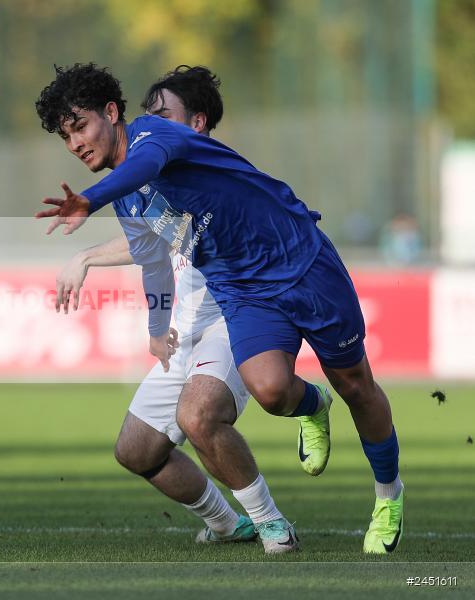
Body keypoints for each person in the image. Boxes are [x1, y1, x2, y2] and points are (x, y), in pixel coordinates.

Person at [35, 63, 404, 554]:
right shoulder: (132, 197)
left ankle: (388, 496)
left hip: (300, 258)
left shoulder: (153, 136)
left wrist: (90, 199)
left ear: (111, 112)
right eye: (66, 137)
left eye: (80, 127)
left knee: (356, 383)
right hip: (240, 286)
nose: (76, 143)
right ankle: (310, 412)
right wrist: (156, 325)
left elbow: (144, 166)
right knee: (271, 391)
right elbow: (152, 258)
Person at [52, 66, 298, 554]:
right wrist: (154, 321)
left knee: (198, 415)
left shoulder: (193, 167)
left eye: (163, 116)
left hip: (237, 308)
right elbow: (153, 248)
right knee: (136, 451)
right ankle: (227, 523)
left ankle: (272, 522)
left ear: (197, 123)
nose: (152, 126)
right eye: (67, 135)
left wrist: (91, 212)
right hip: (188, 325)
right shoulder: (144, 175)